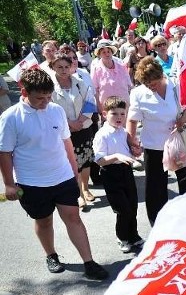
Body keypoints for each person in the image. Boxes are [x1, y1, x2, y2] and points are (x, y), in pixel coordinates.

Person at [0, 69, 109, 280]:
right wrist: (9, 184)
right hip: (32, 182)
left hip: (62, 176)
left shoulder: (56, 110)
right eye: (40, 98)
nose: (45, 102)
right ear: (24, 91)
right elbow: (4, 153)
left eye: (48, 97)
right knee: (44, 222)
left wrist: (74, 171)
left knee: (73, 217)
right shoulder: (10, 117)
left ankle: (89, 262)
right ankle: (51, 255)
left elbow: (66, 143)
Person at [126, 56, 186, 225]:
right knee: (156, 188)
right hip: (154, 145)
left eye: (154, 83)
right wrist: (131, 140)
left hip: (178, 143)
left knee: (185, 181)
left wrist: (181, 121)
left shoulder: (176, 86)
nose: (151, 87)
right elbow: (132, 119)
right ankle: (158, 222)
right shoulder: (138, 93)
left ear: (161, 76)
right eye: (147, 85)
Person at [93, 96, 144, 253]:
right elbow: (100, 160)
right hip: (111, 173)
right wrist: (116, 157)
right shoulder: (102, 135)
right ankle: (122, 237)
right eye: (114, 114)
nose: (119, 117)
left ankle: (133, 236)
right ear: (104, 114)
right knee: (123, 209)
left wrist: (135, 151)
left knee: (132, 205)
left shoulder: (123, 132)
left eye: (122, 114)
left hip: (126, 171)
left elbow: (130, 151)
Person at [49, 52, 97, 210]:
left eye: (66, 67)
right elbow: (49, 110)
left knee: (86, 160)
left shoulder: (79, 82)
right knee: (72, 163)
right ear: (53, 67)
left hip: (83, 128)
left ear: (71, 67)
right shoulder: (49, 87)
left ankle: (86, 188)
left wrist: (80, 122)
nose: (63, 70)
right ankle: (79, 195)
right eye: (59, 67)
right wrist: (70, 123)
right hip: (63, 131)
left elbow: (90, 102)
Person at [91, 39, 131, 114]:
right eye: (103, 52)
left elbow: (129, 86)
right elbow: (95, 91)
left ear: (112, 52)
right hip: (108, 109)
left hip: (124, 108)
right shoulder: (96, 69)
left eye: (108, 51)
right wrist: (100, 110)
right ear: (99, 54)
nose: (107, 54)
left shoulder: (121, 66)